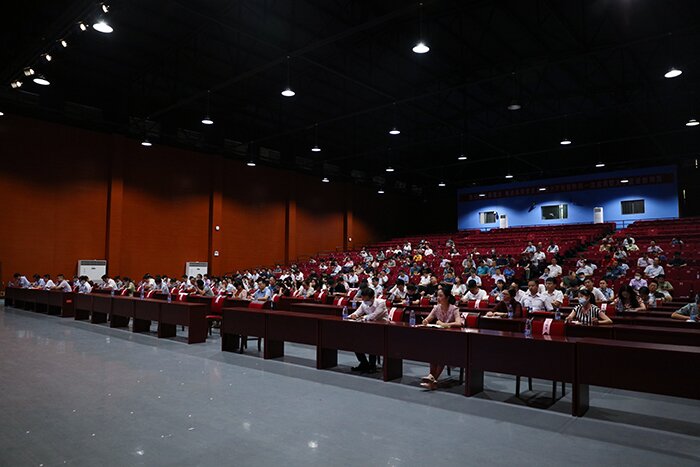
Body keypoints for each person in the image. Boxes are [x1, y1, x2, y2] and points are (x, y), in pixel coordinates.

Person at [420, 290, 462, 389]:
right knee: (433, 351)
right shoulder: (436, 308)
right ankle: (432, 379)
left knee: (442, 352)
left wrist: (444, 324)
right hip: (440, 339)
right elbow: (428, 319)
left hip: (452, 340)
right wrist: (425, 321)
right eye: (437, 296)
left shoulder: (454, 309)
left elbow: (459, 323)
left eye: (440, 296)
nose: (438, 298)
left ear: (447, 298)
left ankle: (433, 380)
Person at [347, 288, 388, 373]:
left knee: (372, 343)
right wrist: (352, 316)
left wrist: (363, 317)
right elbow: (357, 312)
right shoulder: (364, 302)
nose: (365, 301)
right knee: (355, 342)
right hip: (368, 328)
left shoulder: (381, 303)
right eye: (363, 299)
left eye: (366, 300)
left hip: (382, 329)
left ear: (373, 297)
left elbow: (374, 316)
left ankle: (372, 366)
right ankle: (364, 363)